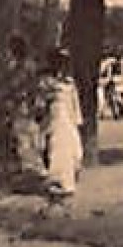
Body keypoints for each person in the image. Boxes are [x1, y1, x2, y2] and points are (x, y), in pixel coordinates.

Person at [41, 50, 84, 203]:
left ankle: (68, 182)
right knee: (57, 149)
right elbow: (41, 103)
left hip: (68, 119)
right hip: (54, 119)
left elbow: (75, 103)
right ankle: (57, 183)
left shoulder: (69, 83)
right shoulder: (46, 82)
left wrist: (77, 121)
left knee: (74, 151)